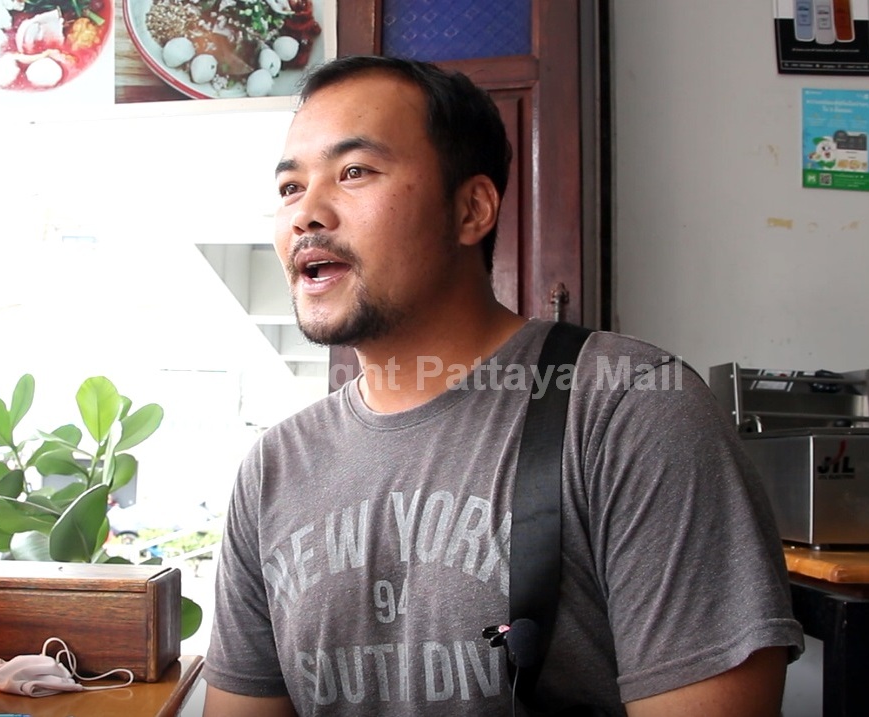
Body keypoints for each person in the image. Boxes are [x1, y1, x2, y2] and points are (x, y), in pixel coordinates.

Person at [201, 55, 803, 717]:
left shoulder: (631, 411)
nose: (306, 215)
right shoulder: (274, 469)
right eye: (290, 187)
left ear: (472, 209)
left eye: (354, 172)